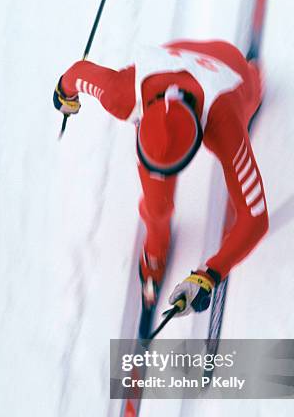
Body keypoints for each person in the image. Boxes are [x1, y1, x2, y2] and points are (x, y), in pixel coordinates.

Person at [54, 40, 269, 316]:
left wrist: (209, 273)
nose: (165, 176)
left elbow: (255, 219)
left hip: (228, 65)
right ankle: (156, 243)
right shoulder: (122, 94)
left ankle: (255, 76)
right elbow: (76, 75)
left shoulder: (225, 120)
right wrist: (64, 93)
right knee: (157, 205)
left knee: (248, 95)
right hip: (174, 56)